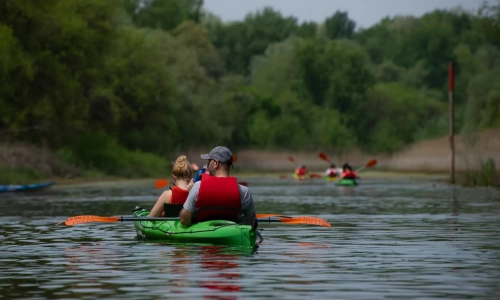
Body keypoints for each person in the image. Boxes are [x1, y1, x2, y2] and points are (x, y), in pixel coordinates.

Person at [179, 146, 256, 226]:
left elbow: (184, 220)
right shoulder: (244, 191)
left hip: (203, 233)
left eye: (209, 161)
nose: (208, 165)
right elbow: (251, 223)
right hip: (231, 234)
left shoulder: (198, 186)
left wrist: (190, 193)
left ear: (216, 163)